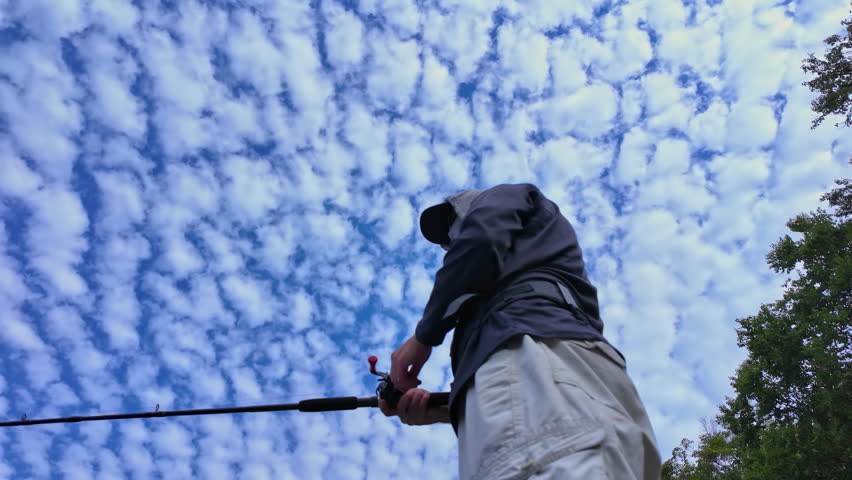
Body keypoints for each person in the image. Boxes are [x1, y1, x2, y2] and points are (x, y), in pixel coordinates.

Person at [380, 184, 661, 479]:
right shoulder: (537, 262)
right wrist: (446, 412)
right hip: (581, 373)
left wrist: (424, 336)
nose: (450, 243)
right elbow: (536, 398)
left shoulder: (503, 198)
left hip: (531, 348)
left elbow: (481, 240)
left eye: (453, 225)